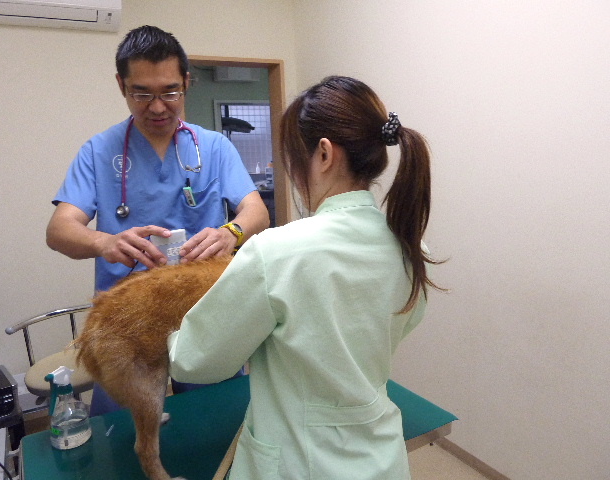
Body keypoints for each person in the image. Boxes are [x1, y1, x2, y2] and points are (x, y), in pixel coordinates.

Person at [168, 76, 443, 479]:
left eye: (294, 160)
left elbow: (193, 361)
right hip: (381, 458)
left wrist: (169, 325)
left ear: (324, 154)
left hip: (296, 465)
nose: (294, 174)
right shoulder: (414, 251)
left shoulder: (275, 252)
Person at [46, 25, 270, 415]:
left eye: (170, 92)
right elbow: (59, 230)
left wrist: (231, 232)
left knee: (215, 417)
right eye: (142, 93)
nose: (157, 107)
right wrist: (105, 242)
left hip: (202, 310)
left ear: (187, 82)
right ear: (121, 85)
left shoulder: (214, 147)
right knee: (122, 427)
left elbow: (257, 211)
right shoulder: (98, 152)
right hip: (129, 318)